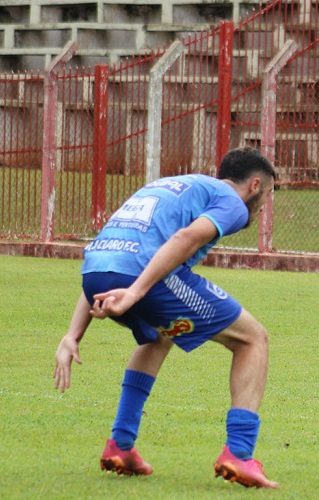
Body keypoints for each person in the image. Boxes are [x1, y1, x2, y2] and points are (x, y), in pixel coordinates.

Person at [53, 147, 280, 488]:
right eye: (269, 194)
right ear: (255, 185)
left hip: (96, 274)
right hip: (138, 275)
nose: (264, 205)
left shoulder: (175, 185)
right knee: (253, 338)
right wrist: (137, 290)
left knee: (160, 335)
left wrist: (73, 335)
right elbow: (186, 238)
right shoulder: (231, 202)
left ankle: (121, 443)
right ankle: (240, 453)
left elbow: (106, 259)